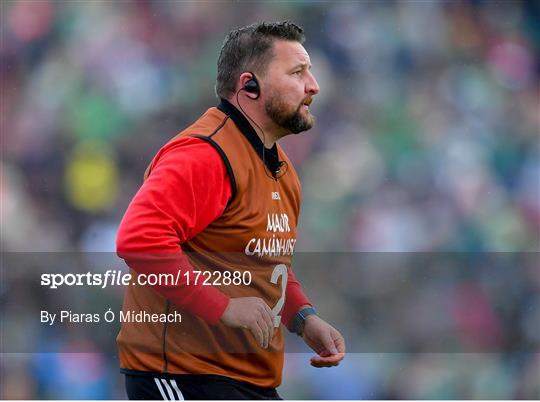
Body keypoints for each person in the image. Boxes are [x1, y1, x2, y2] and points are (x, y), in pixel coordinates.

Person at [116, 21, 345, 400]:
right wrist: (222, 308)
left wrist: (303, 318)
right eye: (297, 72)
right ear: (249, 86)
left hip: (245, 380)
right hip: (184, 376)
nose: (313, 85)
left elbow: (266, 265)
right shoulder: (205, 154)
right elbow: (139, 241)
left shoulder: (282, 171)